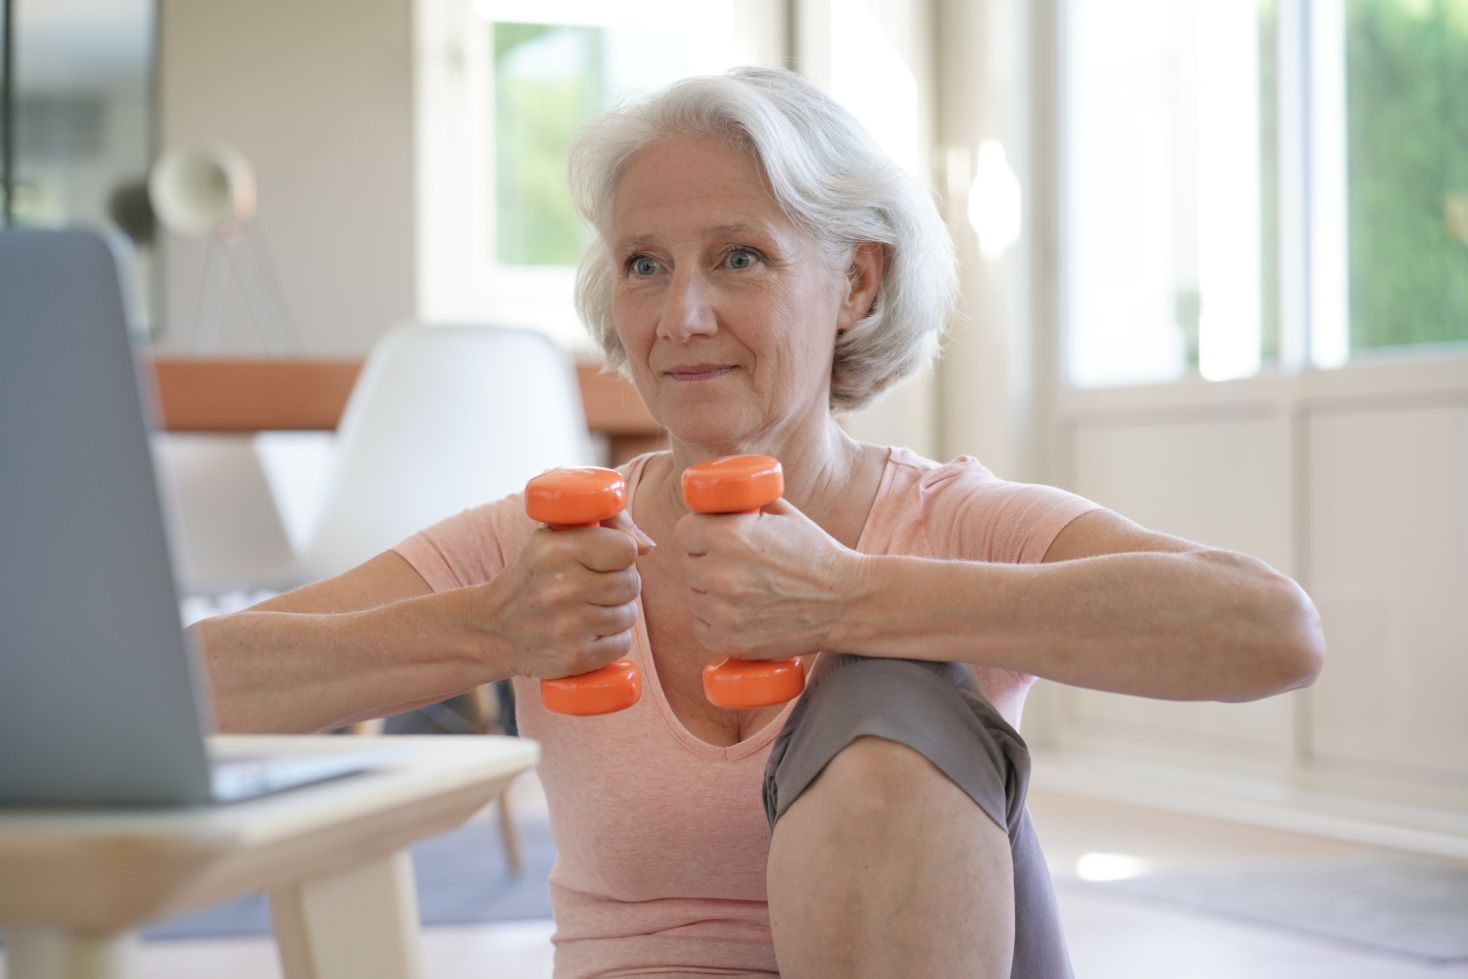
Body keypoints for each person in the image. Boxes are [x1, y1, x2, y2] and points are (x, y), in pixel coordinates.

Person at [192, 67, 1325, 978]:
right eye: (645, 265)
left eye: (739, 257)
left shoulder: (945, 518)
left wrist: (852, 600)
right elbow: (184, 689)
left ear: (856, 286)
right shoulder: (543, 553)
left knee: (887, 693)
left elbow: (1270, 631)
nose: (682, 315)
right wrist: (489, 629)